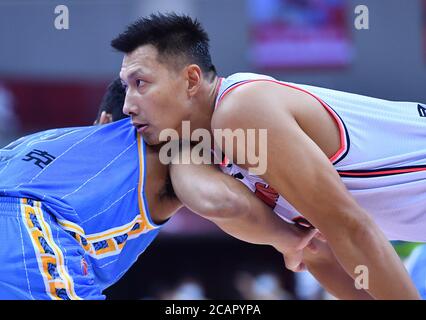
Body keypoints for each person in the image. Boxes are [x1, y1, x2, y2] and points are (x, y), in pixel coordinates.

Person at [112, 13, 426, 299]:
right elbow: (316, 252)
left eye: (141, 83)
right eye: (126, 87)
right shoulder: (218, 151)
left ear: (192, 80)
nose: (128, 105)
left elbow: (351, 228)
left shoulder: (240, 110)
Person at [0, 78, 317, 300]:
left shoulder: (39, 140)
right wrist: (286, 238)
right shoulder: (168, 146)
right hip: (31, 232)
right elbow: (218, 201)